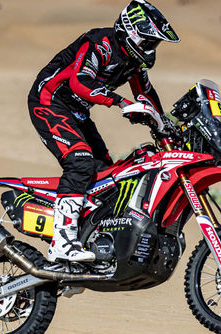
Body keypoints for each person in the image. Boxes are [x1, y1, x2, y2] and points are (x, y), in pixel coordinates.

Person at [28, 0, 180, 263]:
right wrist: (120, 102)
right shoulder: (101, 43)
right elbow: (79, 81)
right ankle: (62, 243)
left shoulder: (134, 62)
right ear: (131, 32)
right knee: (80, 163)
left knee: (106, 173)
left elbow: (144, 93)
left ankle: (89, 237)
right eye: (148, 41)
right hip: (49, 102)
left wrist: (164, 125)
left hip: (77, 112)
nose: (151, 49)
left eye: (154, 44)